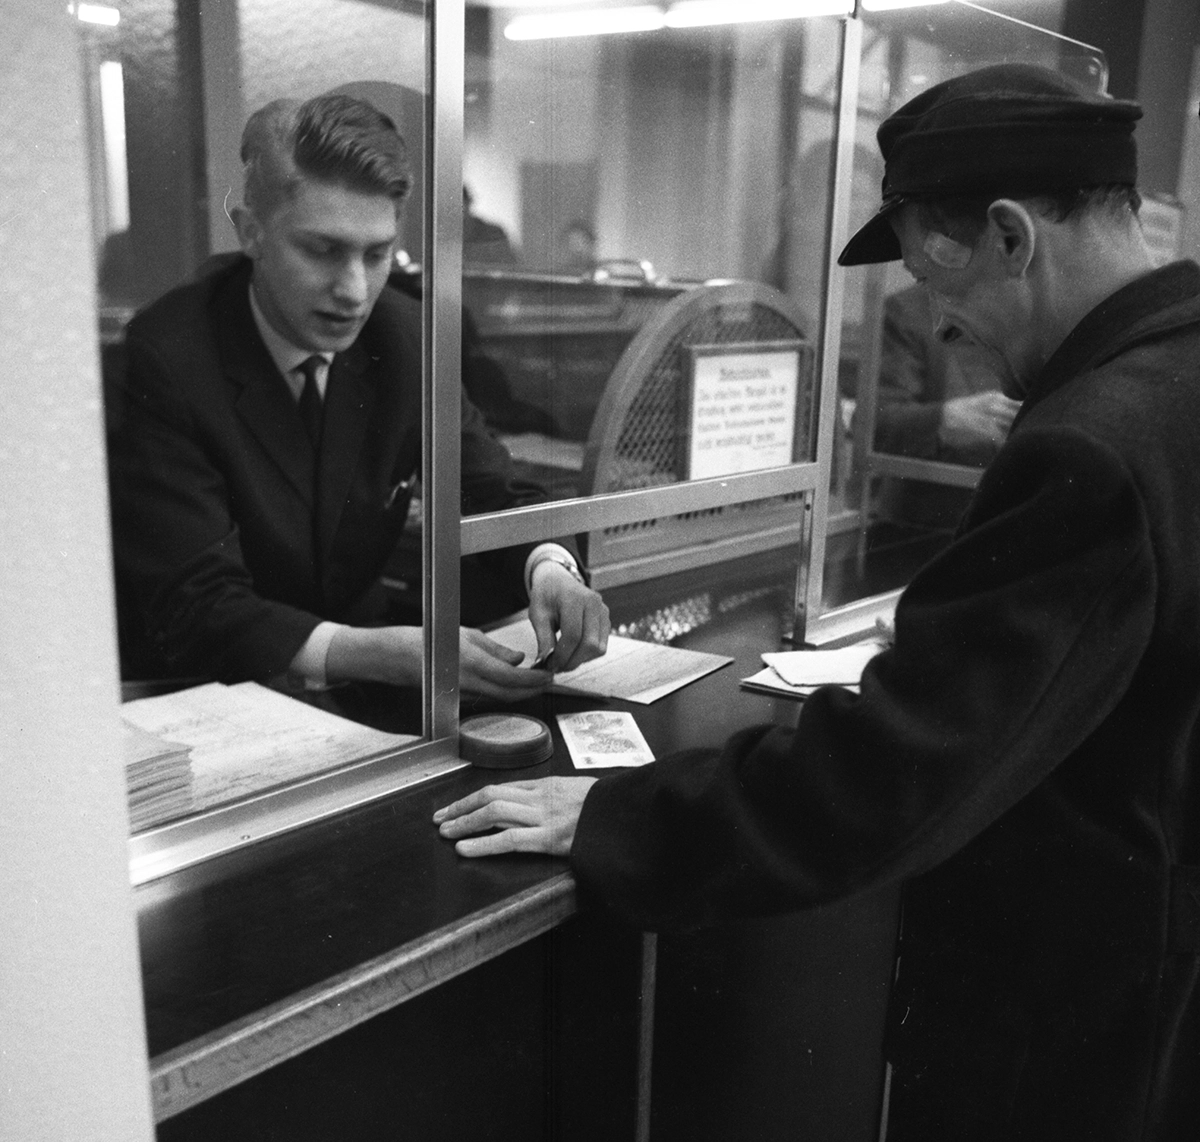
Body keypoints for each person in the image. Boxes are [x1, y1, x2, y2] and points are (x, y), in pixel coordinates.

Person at [434, 64, 1200, 1138]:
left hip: (1066, 1028)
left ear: (1015, 236)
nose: (937, 327)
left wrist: (618, 816)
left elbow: (890, 775)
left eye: (941, 284)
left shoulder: (1091, 444)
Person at [108, 92, 608, 697]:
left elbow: (490, 487)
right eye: (322, 250)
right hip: (207, 691)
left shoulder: (405, 335)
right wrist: (366, 651)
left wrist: (551, 568)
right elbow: (194, 601)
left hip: (359, 672)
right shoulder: (169, 356)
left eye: (376, 255)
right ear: (251, 232)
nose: (354, 290)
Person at [863, 282, 1021, 528]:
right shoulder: (910, 311)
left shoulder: (1032, 308)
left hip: (1010, 516)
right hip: (925, 521)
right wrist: (948, 417)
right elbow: (874, 424)